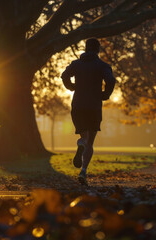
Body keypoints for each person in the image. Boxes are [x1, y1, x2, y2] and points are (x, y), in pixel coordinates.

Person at [61, 38, 116, 185]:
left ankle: (80, 143)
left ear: (85, 49)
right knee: (91, 142)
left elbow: (64, 76)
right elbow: (111, 81)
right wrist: (106, 94)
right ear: (97, 49)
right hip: (94, 106)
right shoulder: (102, 66)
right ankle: (83, 171)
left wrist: (71, 87)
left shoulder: (76, 64)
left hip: (78, 105)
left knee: (83, 137)